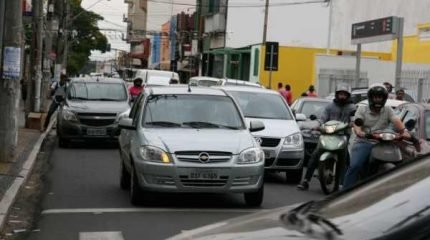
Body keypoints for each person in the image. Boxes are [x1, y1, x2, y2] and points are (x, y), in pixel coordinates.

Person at [342, 84, 411, 189]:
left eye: (380, 97)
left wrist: (404, 131)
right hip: (365, 141)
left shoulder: (387, 109)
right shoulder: (362, 109)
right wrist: (359, 131)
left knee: (401, 167)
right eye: (375, 97)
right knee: (355, 166)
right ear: (370, 98)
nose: (378, 100)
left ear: (384, 98)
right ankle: (344, 193)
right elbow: (357, 124)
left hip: (383, 143)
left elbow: (396, 120)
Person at [297, 84, 356, 191]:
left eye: (344, 94)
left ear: (348, 96)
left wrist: (352, 123)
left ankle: (344, 184)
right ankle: (306, 180)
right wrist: (317, 125)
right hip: (327, 135)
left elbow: (354, 119)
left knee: (346, 159)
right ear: (337, 94)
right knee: (315, 155)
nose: (342, 97)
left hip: (343, 135)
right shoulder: (330, 106)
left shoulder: (352, 108)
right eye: (340, 94)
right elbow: (323, 119)